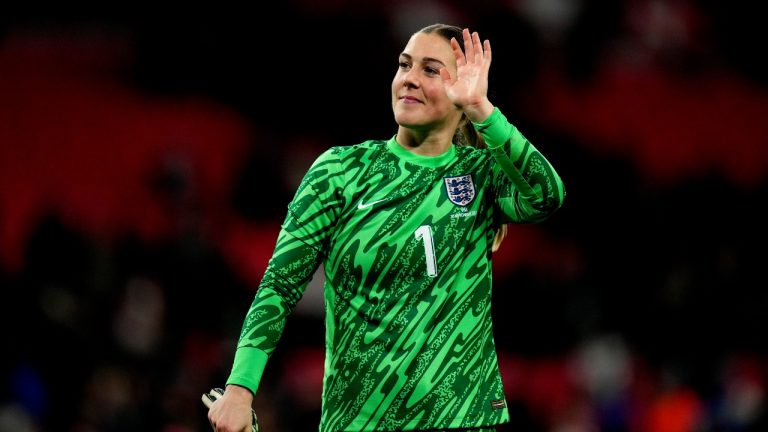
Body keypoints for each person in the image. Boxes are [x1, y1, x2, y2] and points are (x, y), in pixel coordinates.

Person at [207, 23, 566, 432]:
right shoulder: (340, 171)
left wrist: (482, 110)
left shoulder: (480, 175)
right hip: (359, 421)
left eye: (431, 70)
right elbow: (280, 285)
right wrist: (239, 389)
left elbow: (547, 195)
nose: (409, 77)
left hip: (465, 417)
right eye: (404, 65)